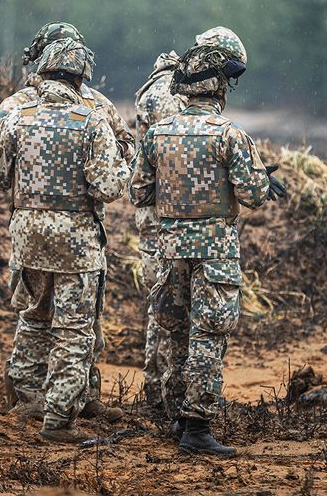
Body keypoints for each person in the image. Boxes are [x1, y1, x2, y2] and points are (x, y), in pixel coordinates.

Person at [130, 26, 285, 457]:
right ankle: (196, 427)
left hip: (171, 249)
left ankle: (178, 416)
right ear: (218, 87)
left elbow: (137, 192)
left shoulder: (158, 134)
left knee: (176, 333)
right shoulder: (229, 134)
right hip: (215, 252)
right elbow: (254, 196)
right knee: (207, 335)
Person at [0, 21, 133, 422]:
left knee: (58, 317)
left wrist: (28, 188)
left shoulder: (22, 110)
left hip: (31, 229)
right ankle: (45, 403)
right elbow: (115, 172)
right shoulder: (85, 109)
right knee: (69, 321)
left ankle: (75, 395)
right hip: (78, 231)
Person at [134, 51, 187, 409]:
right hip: (163, 216)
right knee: (167, 304)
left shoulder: (154, 92)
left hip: (159, 214)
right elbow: (176, 157)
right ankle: (162, 392)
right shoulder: (166, 96)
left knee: (162, 303)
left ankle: (157, 390)